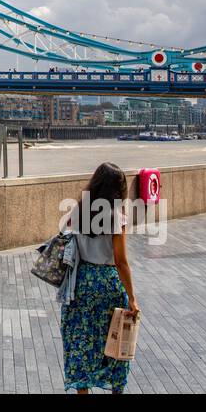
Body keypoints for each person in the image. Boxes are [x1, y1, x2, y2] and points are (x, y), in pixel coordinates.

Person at [58, 162, 139, 394]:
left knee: (81, 341)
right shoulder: (116, 216)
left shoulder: (77, 211)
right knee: (114, 339)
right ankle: (115, 389)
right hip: (107, 283)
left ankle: (82, 390)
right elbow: (121, 262)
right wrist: (132, 298)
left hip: (81, 283)